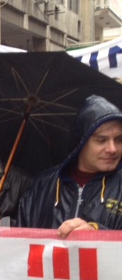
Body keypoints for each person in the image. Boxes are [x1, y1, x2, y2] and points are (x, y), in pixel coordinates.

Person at [19, 94, 122, 235]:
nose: (113, 149)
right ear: (80, 142)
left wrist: (99, 234)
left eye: (119, 140)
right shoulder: (42, 184)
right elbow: (21, 238)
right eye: (101, 140)